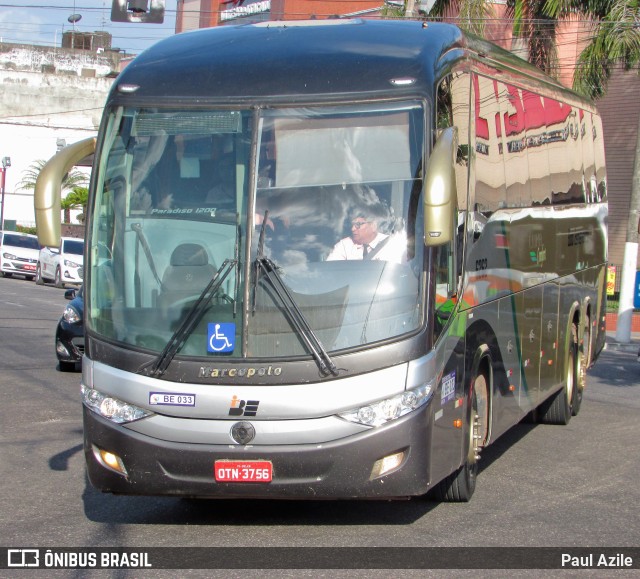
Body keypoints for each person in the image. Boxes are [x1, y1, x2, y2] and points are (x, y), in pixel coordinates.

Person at [326, 211, 407, 263]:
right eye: (352, 225)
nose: (353, 229)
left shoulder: (391, 245)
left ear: (373, 226)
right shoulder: (344, 245)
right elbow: (330, 270)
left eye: (358, 225)